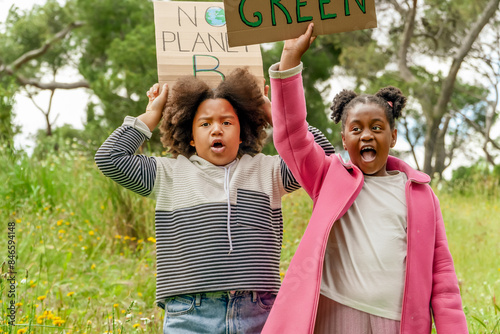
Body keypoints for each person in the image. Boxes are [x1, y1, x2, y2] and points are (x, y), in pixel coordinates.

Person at [262, 23, 468, 334]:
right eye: (356, 129)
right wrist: (291, 57)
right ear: (344, 140)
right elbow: (292, 133)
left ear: (394, 136)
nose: (366, 135)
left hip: (398, 322)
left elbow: (443, 279)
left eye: (376, 127)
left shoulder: (421, 195)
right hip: (335, 313)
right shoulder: (327, 176)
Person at [94, 67, 334, 333]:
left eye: (227, 122)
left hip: (259, 311)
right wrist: (151, 115)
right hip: (189, 313)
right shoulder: (167, 174)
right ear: (192, 137)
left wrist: (273, 111)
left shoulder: (269, 171)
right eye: (205, 124)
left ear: (243, 133)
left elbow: (322, 157)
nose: (217, 130)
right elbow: (110, 158)